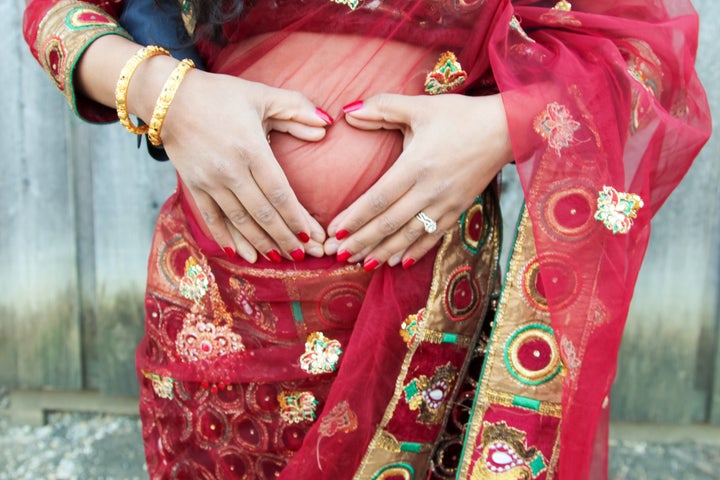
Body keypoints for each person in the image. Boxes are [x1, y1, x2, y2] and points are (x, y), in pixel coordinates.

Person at [23, 0, 711, 478]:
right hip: (223, 313)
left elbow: (641, 55)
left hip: (425, 324)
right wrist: (168, 97)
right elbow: (59, 11)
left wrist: (506, 122)